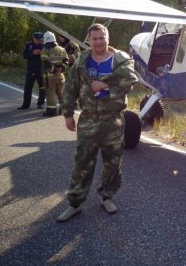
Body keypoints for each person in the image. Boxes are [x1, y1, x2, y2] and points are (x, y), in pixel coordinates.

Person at [56, 23, 137, 222]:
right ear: (89, 40)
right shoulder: (82, 61)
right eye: (95, 38)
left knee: (112, 163)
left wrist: (105, 89)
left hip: (114, 121)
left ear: (108, 39)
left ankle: (107, 197)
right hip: (88, 120)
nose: (98, 42)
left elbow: (128, 84)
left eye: (102, 38)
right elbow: (70, 87)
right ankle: (75, 204)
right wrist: (67, 114)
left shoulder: (121, 60)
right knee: (82, 163)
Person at [41, 31, 69, 116]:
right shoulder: (61, 49)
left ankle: (52, 111)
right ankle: (64, 110)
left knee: (51, 94)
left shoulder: (45, 49)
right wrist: (62, 68)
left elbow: (45, 62)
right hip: (61, 76)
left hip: (50, 77)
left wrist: (54, 70)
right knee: (61, 93)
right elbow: (66, 61)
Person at [18, 31, 46, 110]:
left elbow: (48, 57)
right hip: (30, 69)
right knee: (28, 88)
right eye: (37, 39)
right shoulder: (28, 45)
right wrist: (33, 53)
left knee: (42, 87)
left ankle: (40, 103)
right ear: (33, 38)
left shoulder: (44, 46)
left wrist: (41, 53)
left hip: (40, 69)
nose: (38, 41)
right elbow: (25, 56)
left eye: (40, 39)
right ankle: (25, 104)